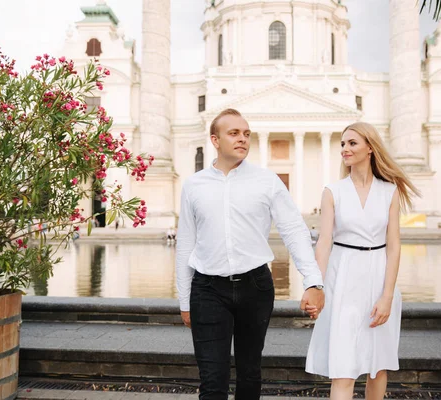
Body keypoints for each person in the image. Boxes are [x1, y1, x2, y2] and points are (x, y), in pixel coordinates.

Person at [175, 108, 324, 400]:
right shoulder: (194, 186)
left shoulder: (267, 181)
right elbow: (186, 243)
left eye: (246, 134)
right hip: (207, 289)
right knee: (212, 382)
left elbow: (294, 231)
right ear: (215, 139)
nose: (243, 139)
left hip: (255, 286)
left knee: (249, 374)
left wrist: (313, 281)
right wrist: (184, 299)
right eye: (234, 133)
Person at [305, 122, 420, 400]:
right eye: (343, 144)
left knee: (377, 368)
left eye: (352, 143)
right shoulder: (332, 191)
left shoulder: (389, 191)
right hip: (342, 277)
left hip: (379, 276)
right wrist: (315, 286)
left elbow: (394, 245)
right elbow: (324, 242)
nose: (345, 148)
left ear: (370, 147)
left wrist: (387, 296)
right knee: (343, 366)